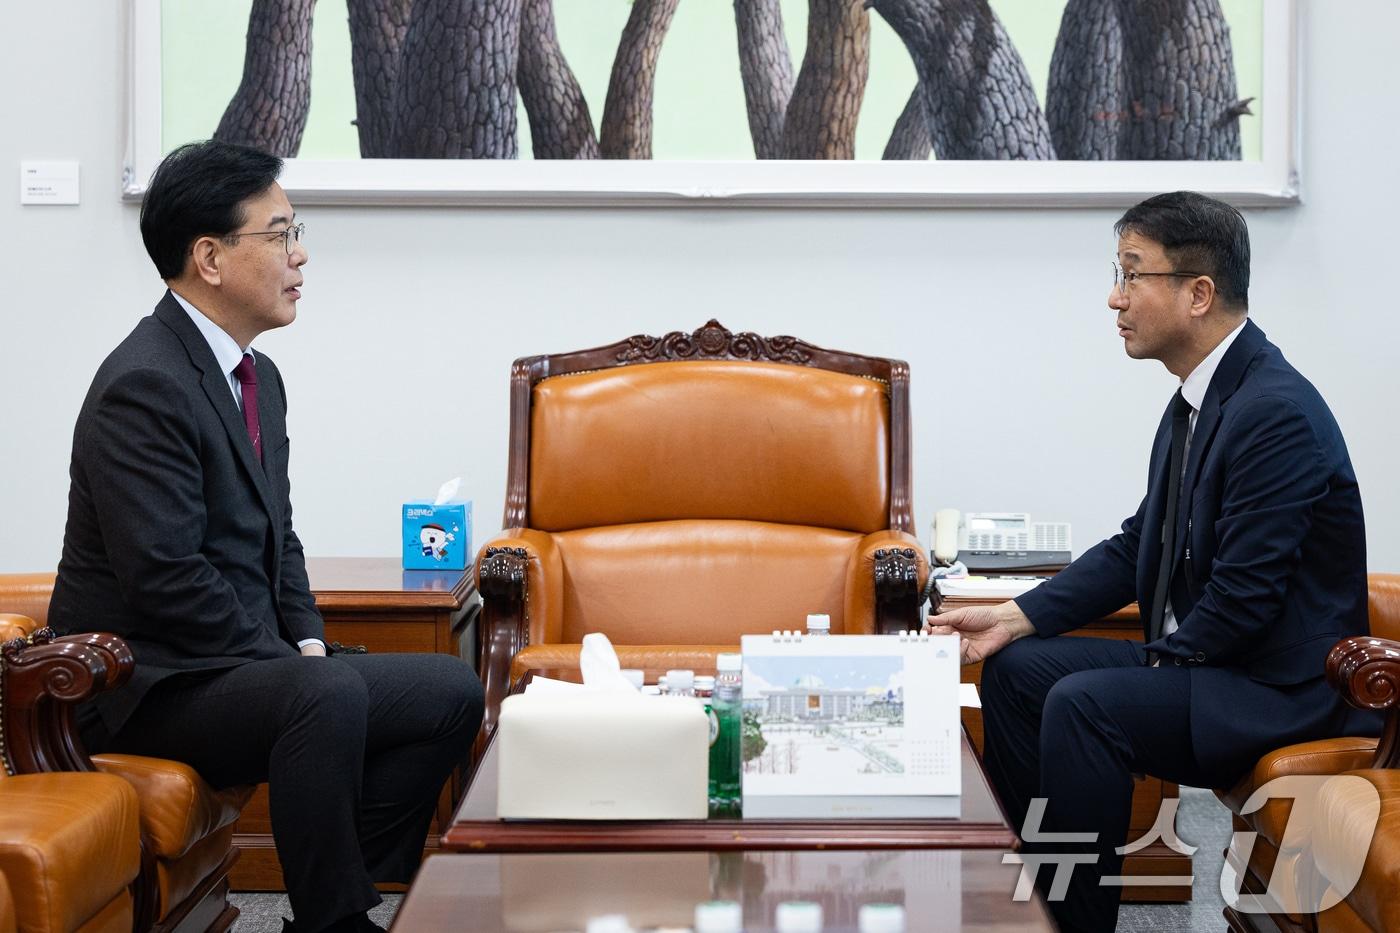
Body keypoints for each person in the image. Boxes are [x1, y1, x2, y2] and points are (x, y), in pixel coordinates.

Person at [48, 140, 483, 933]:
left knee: (449, 690)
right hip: (147, 685)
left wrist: (309, 639)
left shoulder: (257, 377)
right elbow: (165, 578)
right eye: (280, 233)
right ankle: (332, 920)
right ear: (209, 257)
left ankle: (350, 892)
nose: (301, 254)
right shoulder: (143, 384)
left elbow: (280, 537)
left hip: (232, 668)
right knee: (321, 694)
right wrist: (290, 664)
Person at [928, 191, 1374, 932]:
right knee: (1014, 671)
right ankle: (1047, 898)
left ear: (1198, 293)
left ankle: (1082, 921)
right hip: (1218, 663)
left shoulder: (1275, 412)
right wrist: (1012, 617)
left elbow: (1245, 600)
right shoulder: (1199, 399)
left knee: (1085, 702)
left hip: (1274, 687)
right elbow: (1143, 543)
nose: (1115, 297)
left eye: (1132, 274)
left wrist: (1151, 666)